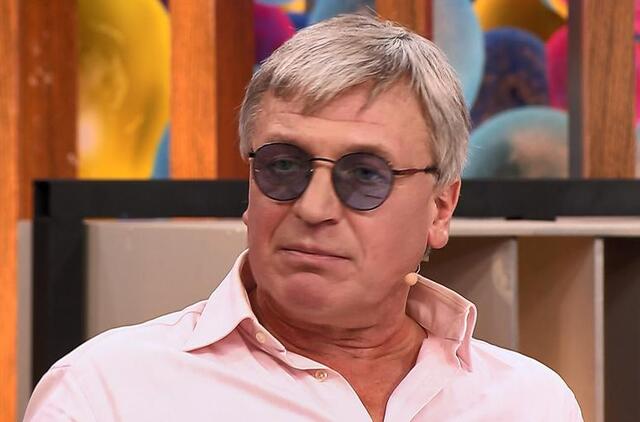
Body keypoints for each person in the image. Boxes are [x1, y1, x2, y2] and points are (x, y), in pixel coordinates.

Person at [25, 13, 583, 421]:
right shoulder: (106, 393)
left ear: (440, 208)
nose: (313, 209)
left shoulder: (530, 403)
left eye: (364, 175)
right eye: (284, 165)